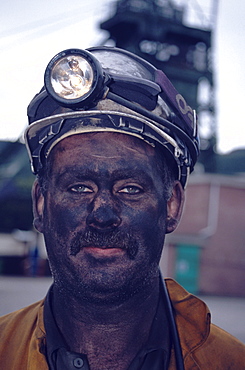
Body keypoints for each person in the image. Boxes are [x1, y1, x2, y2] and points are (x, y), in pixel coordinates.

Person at [0, 46, 244, 370]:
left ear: (172, 204)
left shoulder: (229, 362)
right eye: (79, 188)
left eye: (130, 189)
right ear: (41, 203)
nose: (102, 215)